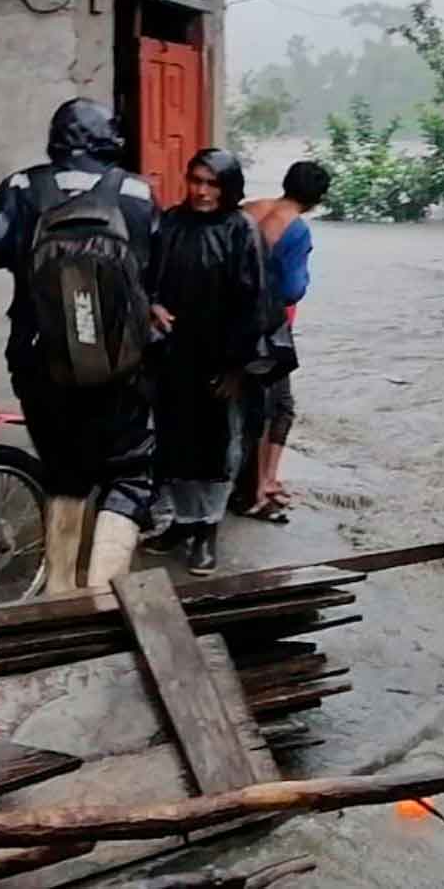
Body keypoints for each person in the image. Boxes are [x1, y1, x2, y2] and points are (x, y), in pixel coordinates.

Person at [0, 98, 157, 595]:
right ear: (110, 139)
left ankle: (61, 593)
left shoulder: (24, 186)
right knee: (129, 472)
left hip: (42, 360)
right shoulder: (137, 193)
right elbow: (158, 274)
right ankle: (105, 598)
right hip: (120, 363)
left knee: (64, 471)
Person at [145, 149, 269, 576]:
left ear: (228, 188)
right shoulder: (172, 223)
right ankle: (180, 524)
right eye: (196, 180)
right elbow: (146, 275)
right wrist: (152, 305)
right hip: (173, 355)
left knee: (217, 447)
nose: (201, 191)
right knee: (174, 442)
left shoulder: (241, 231)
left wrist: (237, 369)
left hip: (220, 359)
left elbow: (254, 303)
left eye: (211, 183)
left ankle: (207, 531)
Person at [231, 160, 331, 522]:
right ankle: (260, 488)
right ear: (317, 199)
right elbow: (292, 288)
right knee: (278, 406)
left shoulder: (247, 211)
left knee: (242, 405)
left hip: (225, 320)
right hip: (267, 328)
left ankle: (256, 482)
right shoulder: (297, 231)